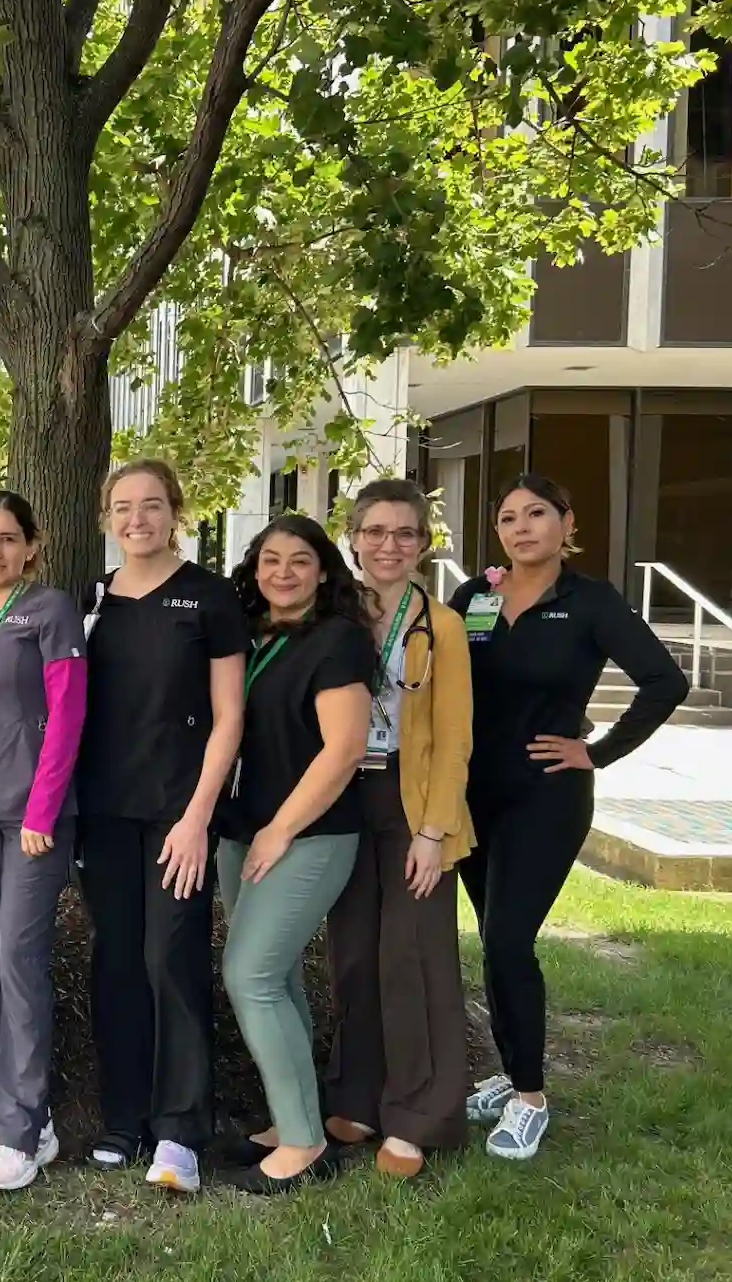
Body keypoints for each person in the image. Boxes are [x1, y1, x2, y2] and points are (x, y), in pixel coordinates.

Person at [449, 474, 687, 1160]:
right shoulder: (476, 597)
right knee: (493, 940)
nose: (522, 527)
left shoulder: (589, 603)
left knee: (509, 941)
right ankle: (511, 1069)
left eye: (536, 514)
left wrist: (598, 751)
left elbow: (666, 681)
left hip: (545, 797)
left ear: (565, 521)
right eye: (508, 518)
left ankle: (529, 1101)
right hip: (473, 797)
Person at [77, 458, 247, 1193]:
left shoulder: (210, 598)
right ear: (107, 518)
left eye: (151, 505)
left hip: (180, 811)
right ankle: (122, 1120)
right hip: (104, 810)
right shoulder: (91, 599)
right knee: (116, 961)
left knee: (170, 961)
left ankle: (180, 1131)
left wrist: (198, 817)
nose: (137, 518)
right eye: (123, 506)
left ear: (175, 511)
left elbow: (230, 716)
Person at [217, 513, 376, 1195]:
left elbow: (344, 750)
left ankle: (306, 1144)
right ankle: (295, 1121)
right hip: (242, 829)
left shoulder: (336, 641)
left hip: (307, 835)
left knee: (249, 976)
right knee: (275, 979)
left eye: (300, 561)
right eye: (270, 560)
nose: (283, 573)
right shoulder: (254, 638)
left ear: (323, 571)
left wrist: (280, 829)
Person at [321, 479, 474, 1179]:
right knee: (353, 955)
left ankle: (416, 1114)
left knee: (411, 956)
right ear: (353, 538)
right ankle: (358, 1096)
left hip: (412, 808)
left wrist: (434, 831)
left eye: (405, 533)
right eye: (375, 531)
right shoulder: (332, 616)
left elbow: (453, 738)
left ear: (423, 544)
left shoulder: (439, 624)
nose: (389, 545)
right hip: (339, 801)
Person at [0, 491, 88, 1192]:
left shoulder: (51, 608)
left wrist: (43, 809)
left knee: (18, 957)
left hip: (34, 819)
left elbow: (67, 715)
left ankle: (27, 1126)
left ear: (31, 546)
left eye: (8, 539)